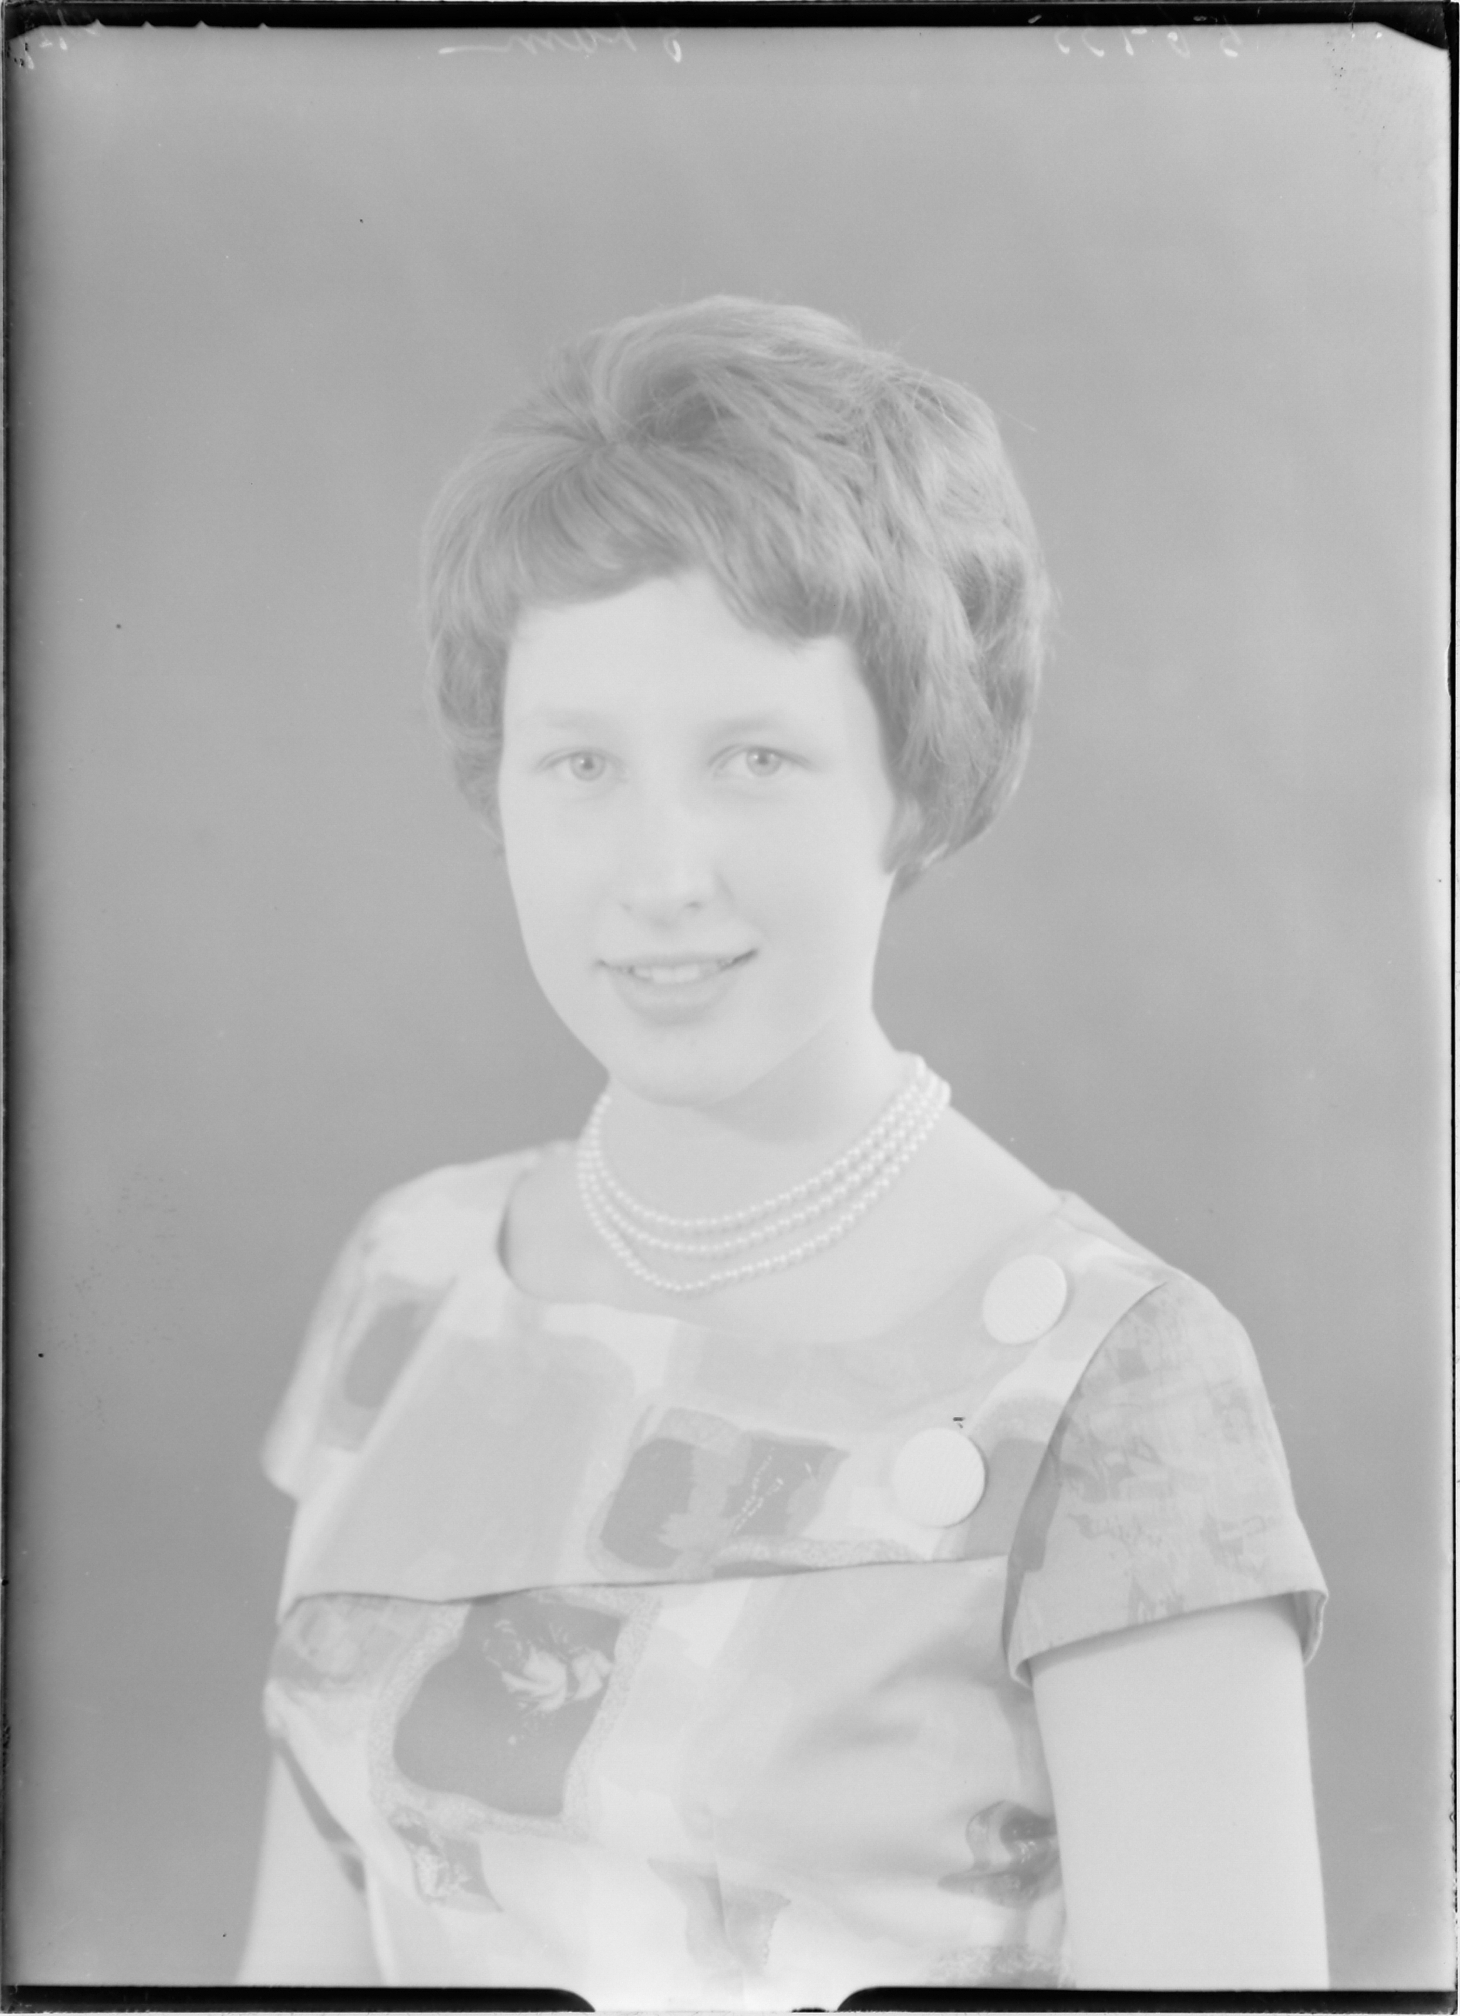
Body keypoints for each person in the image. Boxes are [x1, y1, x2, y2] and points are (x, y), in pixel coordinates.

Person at [239, 297, 1328, 2002]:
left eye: (753, 759)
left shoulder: (1116, 1385)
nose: (660, 873)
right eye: (579, 763)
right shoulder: (409, 1283)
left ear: (916, 783)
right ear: (497, 784)